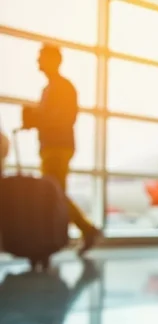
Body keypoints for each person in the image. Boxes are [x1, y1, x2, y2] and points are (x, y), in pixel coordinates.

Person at [23, 44, 99, 255]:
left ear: (53, 60)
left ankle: (83, 230)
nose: (38, 62)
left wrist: (40, 119)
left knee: (53, 194)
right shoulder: (48, 89)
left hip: (58, 147)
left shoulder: (63, 87)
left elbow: (66, 118)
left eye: (41, 57)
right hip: (49, 147)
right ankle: (80, 230)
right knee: (55, 193)